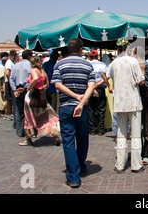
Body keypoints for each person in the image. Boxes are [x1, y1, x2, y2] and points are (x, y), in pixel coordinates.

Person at [52, 38, 96, 188]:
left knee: (69, 141)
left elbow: (57, 84)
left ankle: (73, 175)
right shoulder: (87, 65)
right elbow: (91, 86)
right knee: (82, 138)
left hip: (66, 107)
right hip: (82, 107)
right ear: (80, 49)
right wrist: (81, 100)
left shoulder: (59, 64)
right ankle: (81, 166)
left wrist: (74, 97)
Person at [104, 38, 145, 174]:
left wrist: (110, 85)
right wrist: (143, 72)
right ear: (127, 47)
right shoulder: (133, 61)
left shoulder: (114, 62)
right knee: (135, 134)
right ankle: (136, 164)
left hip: (119, 102)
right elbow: (140, 81)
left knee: (121, 134)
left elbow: (104, 73)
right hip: (133, 102)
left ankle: (120, 164)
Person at [20, 56, 61, 146]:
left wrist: (30, 88)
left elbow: (34, 78)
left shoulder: (34, 70)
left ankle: (28, 139)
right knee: (47, 116)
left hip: (33, 96)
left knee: (29, 117)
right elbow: (47, 84)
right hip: (42, 96)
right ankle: (55, 135)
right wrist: (42, 87)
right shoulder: (43, 72)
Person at [133, 46, 148, 166]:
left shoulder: (147, 66)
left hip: (147, 101)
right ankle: (138, 151)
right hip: (135, 102)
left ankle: (147, 154)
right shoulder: (132, 66)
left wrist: (142, 82)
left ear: (136, 54)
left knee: (147, 129)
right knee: (136, 129)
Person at [9, 49, 33, 138]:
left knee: (19, 111)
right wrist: (24, 88)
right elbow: (31, 78)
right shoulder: (30, 65)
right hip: (26, 90)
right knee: (28, 110)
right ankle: (28, 131)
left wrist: (15, 90)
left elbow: (11, 79)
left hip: (18, 90)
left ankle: (19, 132)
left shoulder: (15, 65)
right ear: (29, 56)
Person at [88, 49, 108, 136]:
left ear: (90, 56)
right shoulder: (103, 65)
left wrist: (93, 86)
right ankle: (100, 129)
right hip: (100, 89)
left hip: (89, 89)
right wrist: (97, 85)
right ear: (97, 56)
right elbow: (106, 77)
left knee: (91, 109)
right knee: (101, 109)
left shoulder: (87, 64)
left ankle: (92, 129)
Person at [4, 49, 17, 121]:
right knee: (8, 99)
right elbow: (7, 72)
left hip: (10, 82)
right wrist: (10, 81)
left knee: (10, 99)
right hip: (9, 82)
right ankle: (8, 114)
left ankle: (10, 113)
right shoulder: (9, 63)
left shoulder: (13, 62)